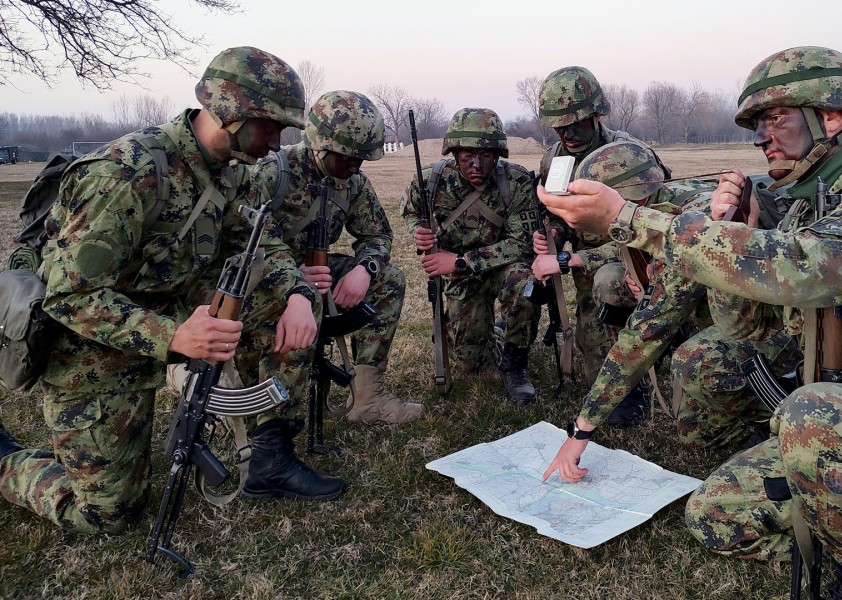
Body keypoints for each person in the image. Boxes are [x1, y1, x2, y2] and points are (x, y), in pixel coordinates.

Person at [538, 46, 842, 599]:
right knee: (714, 515)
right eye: (756, 126)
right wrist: (731, 230)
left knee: (812, 412)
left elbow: (800, 268)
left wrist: (626, 218)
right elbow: (745, 328)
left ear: (833, 116)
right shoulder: (809, 208)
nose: (761, 138)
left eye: (775, 120)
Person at [0, 46, 345, 536]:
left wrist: (296, 295)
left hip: (174, 310)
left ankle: (269, 458)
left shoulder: (234, 171)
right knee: (107, 515)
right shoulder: (126, 174)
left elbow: (257, 241)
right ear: (230, 111)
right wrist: (176, 338)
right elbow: (69, 299)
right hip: (90, 346)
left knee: (275, 303)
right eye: (271, 125)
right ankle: (5, 460)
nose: (276, 142)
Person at [246, 90, 423, 424]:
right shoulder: (270, 173)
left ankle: (368, 398)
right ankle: (275, 415)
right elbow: (244, 241)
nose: (355, 165)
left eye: (361, 158)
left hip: (320, 273)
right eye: (347, 156)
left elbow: (378, 234)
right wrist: (292, 276)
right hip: (264, 279)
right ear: (320, 144)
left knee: (390, 279)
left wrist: (365, 269)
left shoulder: (353, 182)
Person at [541, 140, 715, 478]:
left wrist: (581, 430)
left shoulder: (691, 226)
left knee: (702, 429)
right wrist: (574, 259)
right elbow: (622, 242)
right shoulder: (656, 205)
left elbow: (643, 336)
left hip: (764, 335)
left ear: (628, 200)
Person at [533, 66, 671, 414]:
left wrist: (572, 260)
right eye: (559, 127)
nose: (568, 134)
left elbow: (653, 223)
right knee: (592, 350)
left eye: (575, 124)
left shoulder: (629, 154)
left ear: (596, 115)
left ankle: (638, 377)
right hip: (583, 262)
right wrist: (553, 233)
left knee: (608, 283)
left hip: (630, 256)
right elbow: (558, 212)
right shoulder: (554, 158)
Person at [400, 108, 537, 403]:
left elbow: (522, 244)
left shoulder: (516, 182)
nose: (476, 164)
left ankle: (515, 365)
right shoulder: (430, 182)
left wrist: (461, 261)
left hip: (502, 268)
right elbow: (410, 211)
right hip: (461, 277)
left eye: (486, 155)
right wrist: (420, 231)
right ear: (454, 153)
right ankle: (498, 332)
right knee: (470, 366)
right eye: (467, 155)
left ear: (498, 154)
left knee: (524, 280)